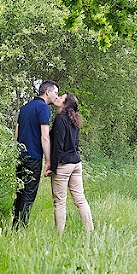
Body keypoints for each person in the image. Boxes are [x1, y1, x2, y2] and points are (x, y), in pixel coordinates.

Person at [12, 80, 59, 228]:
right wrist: (49, 160)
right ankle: (20, 229)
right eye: (55, 93)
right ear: (47, 92)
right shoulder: (43, 108)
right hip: (33, 157)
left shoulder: (25, 108)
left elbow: (16, 134)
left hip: (20, 156)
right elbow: (44, 137)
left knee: (19, 191)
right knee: (28, 193)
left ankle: (14, 224)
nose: (56, 96)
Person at [49, 92, 94, 234]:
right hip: (76, 163)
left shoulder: (60, 119)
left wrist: (52, 167)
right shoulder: (74, 120)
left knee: (60, 202)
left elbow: (58, 146)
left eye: (61, 97)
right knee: (80, 199)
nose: (57, 98)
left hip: (64, 165)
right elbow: (75, 144)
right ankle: (90, 231)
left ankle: (58, 236)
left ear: (65, 104)